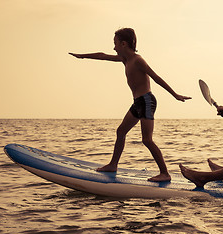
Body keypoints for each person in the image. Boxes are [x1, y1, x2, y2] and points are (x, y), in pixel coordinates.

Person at [69, 28, 191, 182]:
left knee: (147, 140)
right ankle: (113, 165)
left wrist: (175, 95)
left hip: (147, 101)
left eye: (115, 43)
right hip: (137, 103)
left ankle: (165, 173)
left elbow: (156, 77)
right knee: (121, 132)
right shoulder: (124, 59)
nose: (114, 47)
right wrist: (82, 56)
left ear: (124, 43)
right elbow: (103, 56)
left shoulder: (138, 60)